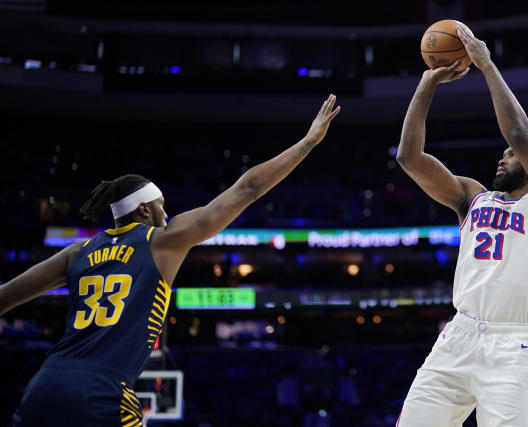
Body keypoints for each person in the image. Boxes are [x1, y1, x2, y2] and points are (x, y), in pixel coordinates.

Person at [0, 95, 341, 426]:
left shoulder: (76, 252)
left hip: (44, 385)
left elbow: (5, 297)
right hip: (103, 390)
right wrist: (309, 141)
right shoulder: (161, 239)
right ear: (144, 209)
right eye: (161, 204)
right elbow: (247, 189)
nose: (168, 212)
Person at [394, 25, 528, 426]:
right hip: (458, 335)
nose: (502, 157)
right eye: (503, 153)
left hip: (513, 345)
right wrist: (427, 84)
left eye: (510, 155)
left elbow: (520, 135)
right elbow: (409, 158)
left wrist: (485, 62)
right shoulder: (472, 197)